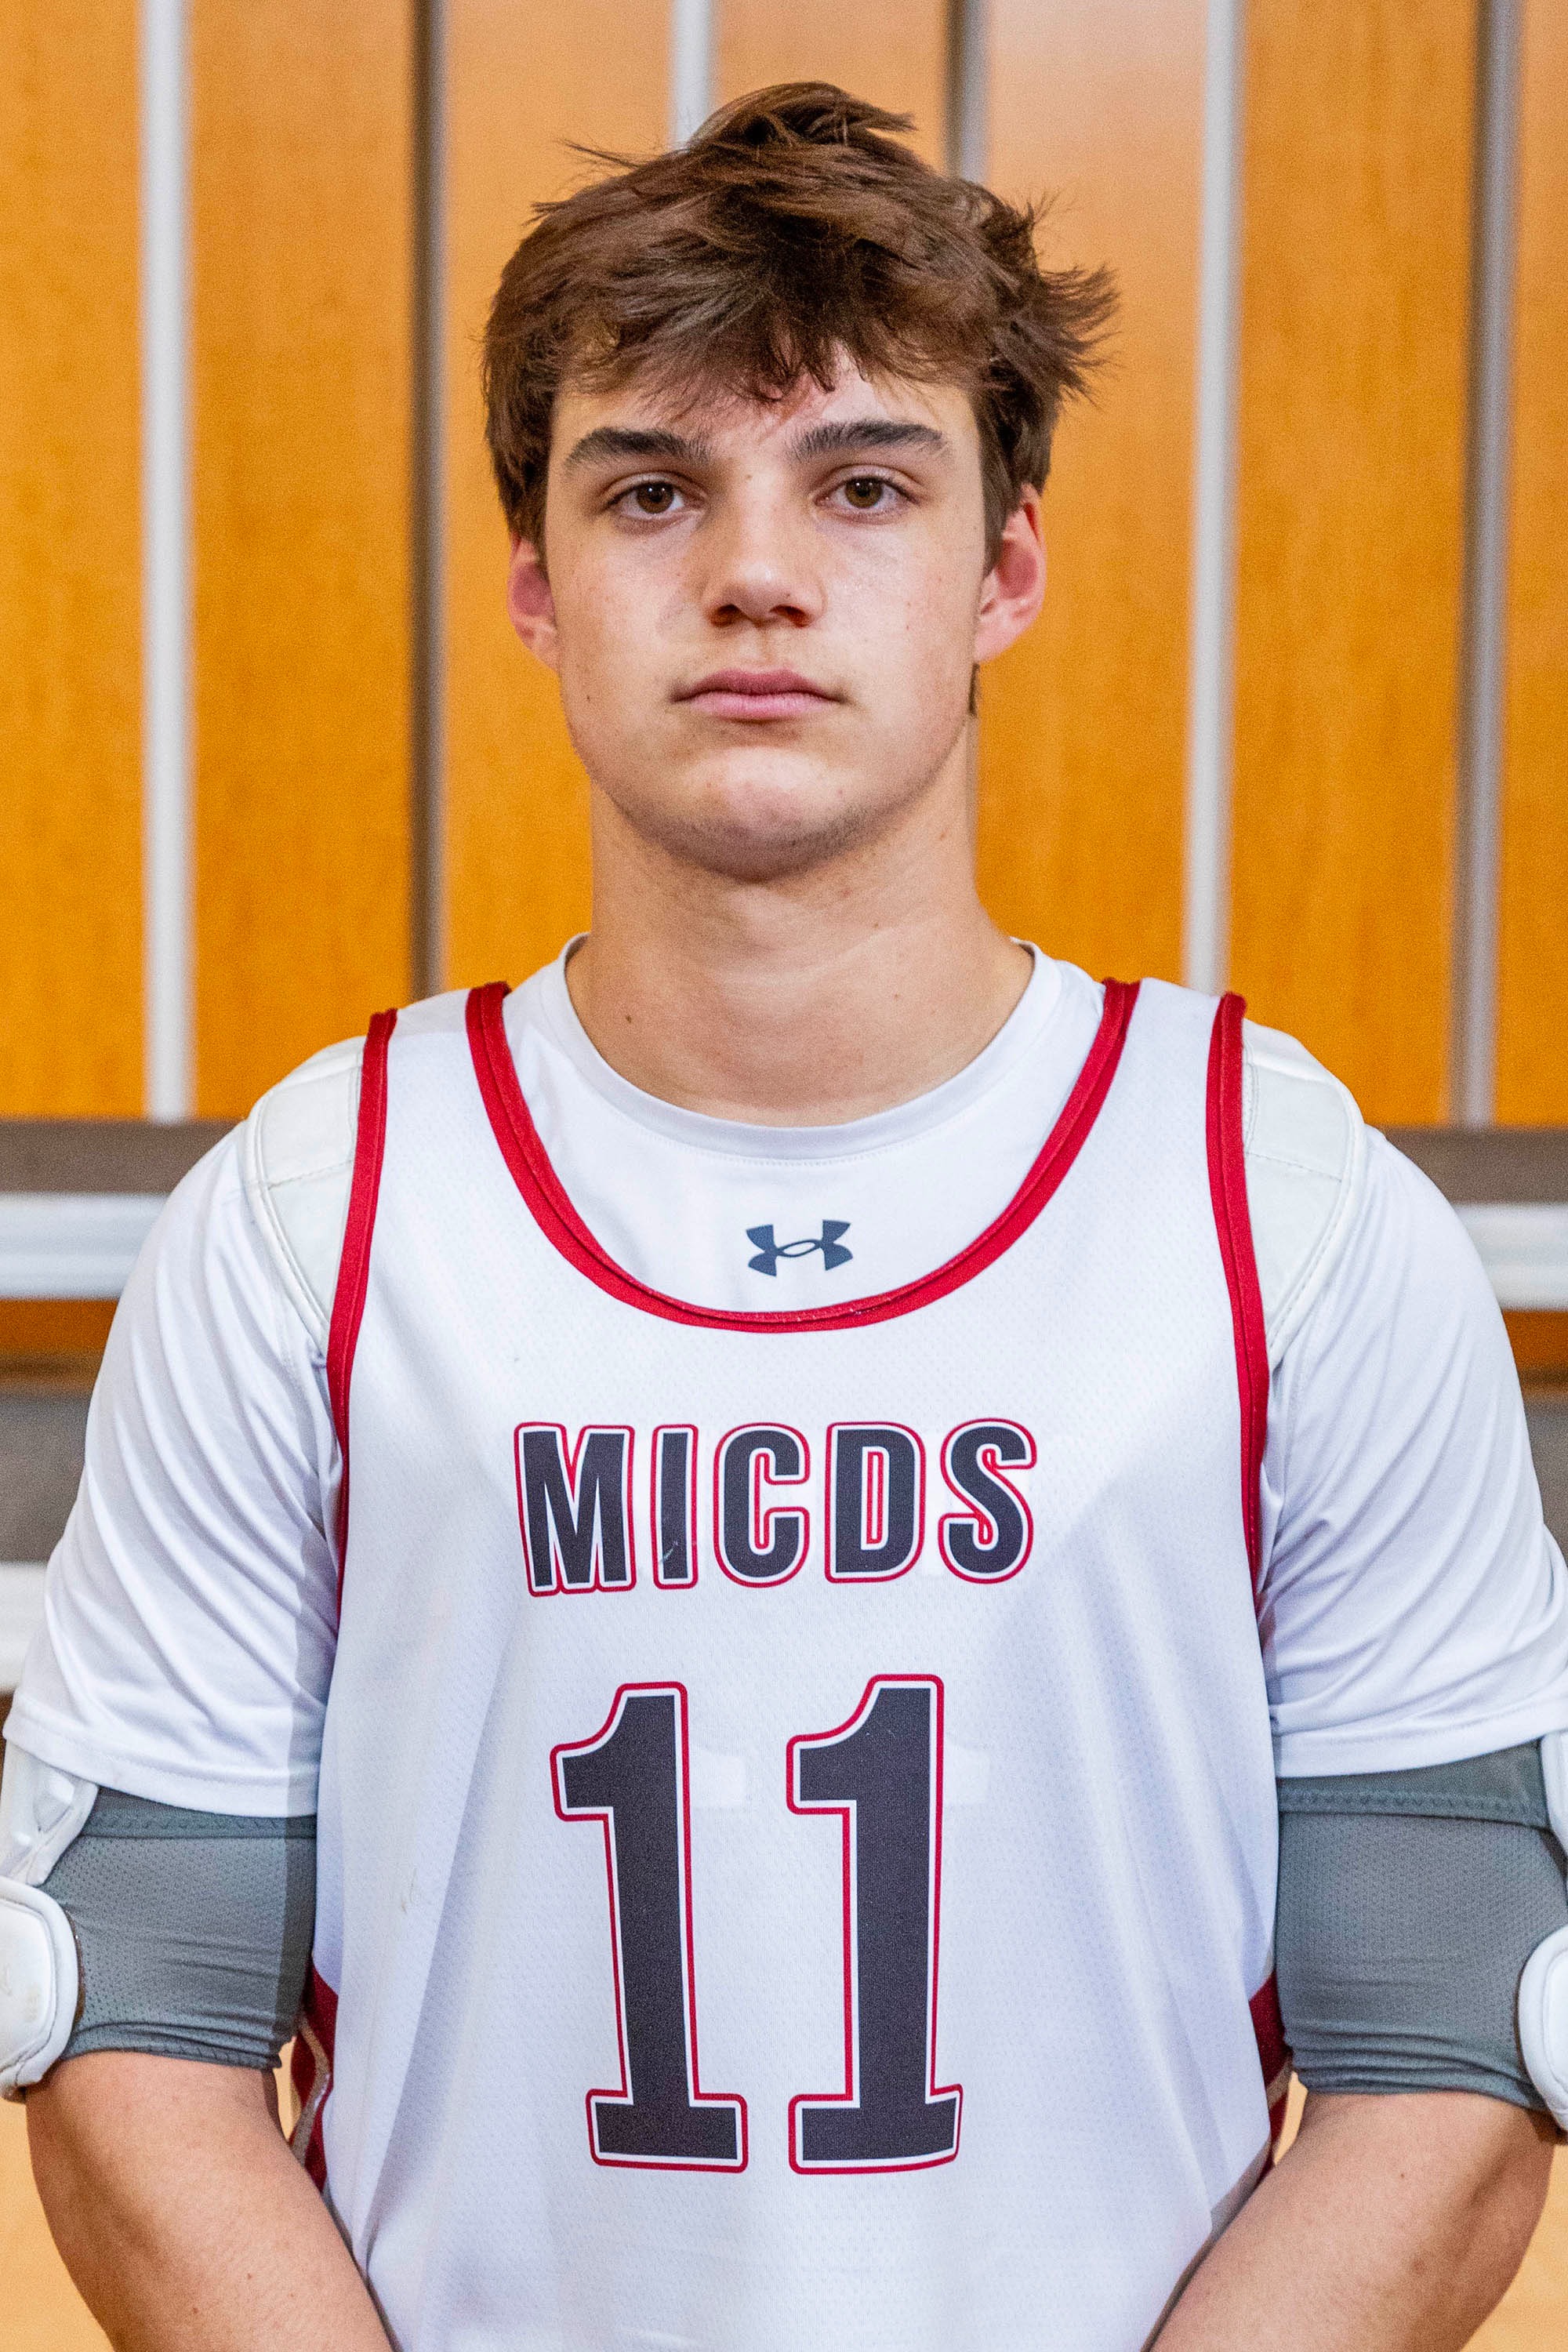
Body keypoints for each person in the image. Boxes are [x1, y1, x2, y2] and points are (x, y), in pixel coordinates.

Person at [4, 82, 1567, 2352]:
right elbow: (130, 2029)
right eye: (651, 489)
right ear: (535, 582)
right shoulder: (313, 1218)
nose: (756, 572)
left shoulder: (1286, 1210)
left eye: (864, 484)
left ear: (1005, 569)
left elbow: (1452, 2037)